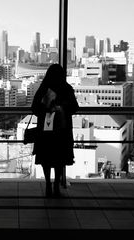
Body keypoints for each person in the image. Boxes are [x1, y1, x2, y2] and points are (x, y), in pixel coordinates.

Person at [31, 63, 79, 197]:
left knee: (46, 158)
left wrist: (46, 109)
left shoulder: (44, 88)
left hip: (45, 130)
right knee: (59, 158)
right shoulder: (67, 88)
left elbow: (34, 108)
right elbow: (75, 107)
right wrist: (62, 108)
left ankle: (48, 184)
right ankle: (57, 185)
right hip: (62, 130)